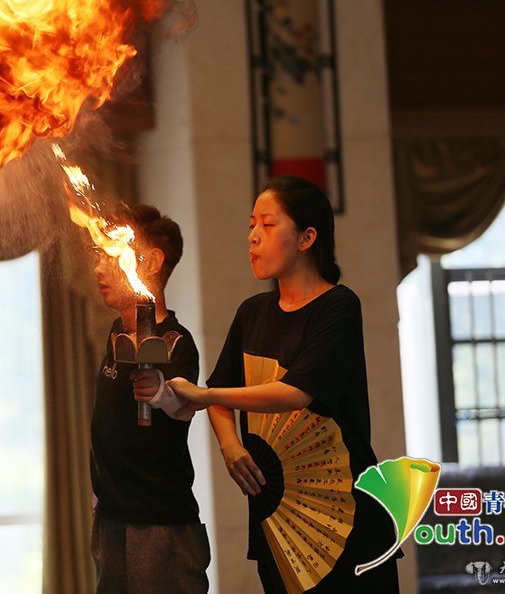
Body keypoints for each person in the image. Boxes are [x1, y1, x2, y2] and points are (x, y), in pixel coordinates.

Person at [147, 176, 399, 592]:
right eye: (251, 225)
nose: (252, 237)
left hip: (345, 517)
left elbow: (295, 392)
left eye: (267, 225)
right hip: (276, 513)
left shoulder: (339, 306)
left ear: (306, 238)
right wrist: (230, 446)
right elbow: (221, 390)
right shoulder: (251, 312)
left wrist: (206, 396)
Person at [90, 203, 210, 593]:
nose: (99, 269)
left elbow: (182, 407)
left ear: (152, 262)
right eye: (99, 255)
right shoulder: (115, 333)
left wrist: (161, 394)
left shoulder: (176, 342)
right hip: (111, 518)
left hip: (159, 525)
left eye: (111, 255)